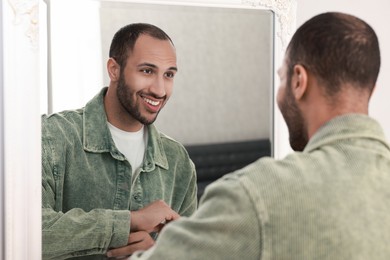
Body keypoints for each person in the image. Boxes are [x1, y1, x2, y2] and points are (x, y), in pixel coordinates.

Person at [126, 12, 390, 260]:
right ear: (370, 88)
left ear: (299, 80)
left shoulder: (258, 194)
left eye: (282, 78)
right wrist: (201, 237)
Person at [41, 23, 198, 259]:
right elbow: (25, 232)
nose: (159, 89)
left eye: (169, 75)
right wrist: (129, 222)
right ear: (114, 69)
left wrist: (157, 254)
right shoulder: (53, 136)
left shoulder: (178, 161)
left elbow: (191, 252)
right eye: (147, 71)